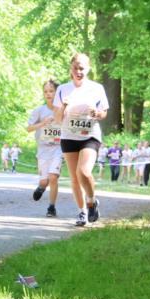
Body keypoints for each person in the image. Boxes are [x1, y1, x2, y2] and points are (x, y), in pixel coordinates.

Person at [54, 53, 109, 226]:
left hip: (90, 135)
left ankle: (92, 201)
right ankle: (82, 212)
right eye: (75, 67)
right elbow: (57, 118)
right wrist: (64, 105)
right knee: (75, 178)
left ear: (88, 69)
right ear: (71, 68)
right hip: (69, 136)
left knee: (84, 171)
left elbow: (103, 113)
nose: (78, 71)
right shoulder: (63, 89)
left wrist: (96, 113)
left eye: (82, 68)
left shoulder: (97, 88)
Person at [27, 79, 63, 217]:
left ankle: (51, 207)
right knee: (44, 181)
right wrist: (43, 123)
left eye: (51, 91)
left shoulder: (62, 111)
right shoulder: (39, 111)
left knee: (53, 177)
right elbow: (29, 128)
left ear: (57, 92)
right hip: (43, 149)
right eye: (46, 91)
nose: (48, 94)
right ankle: (42, 187)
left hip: (58, 148)